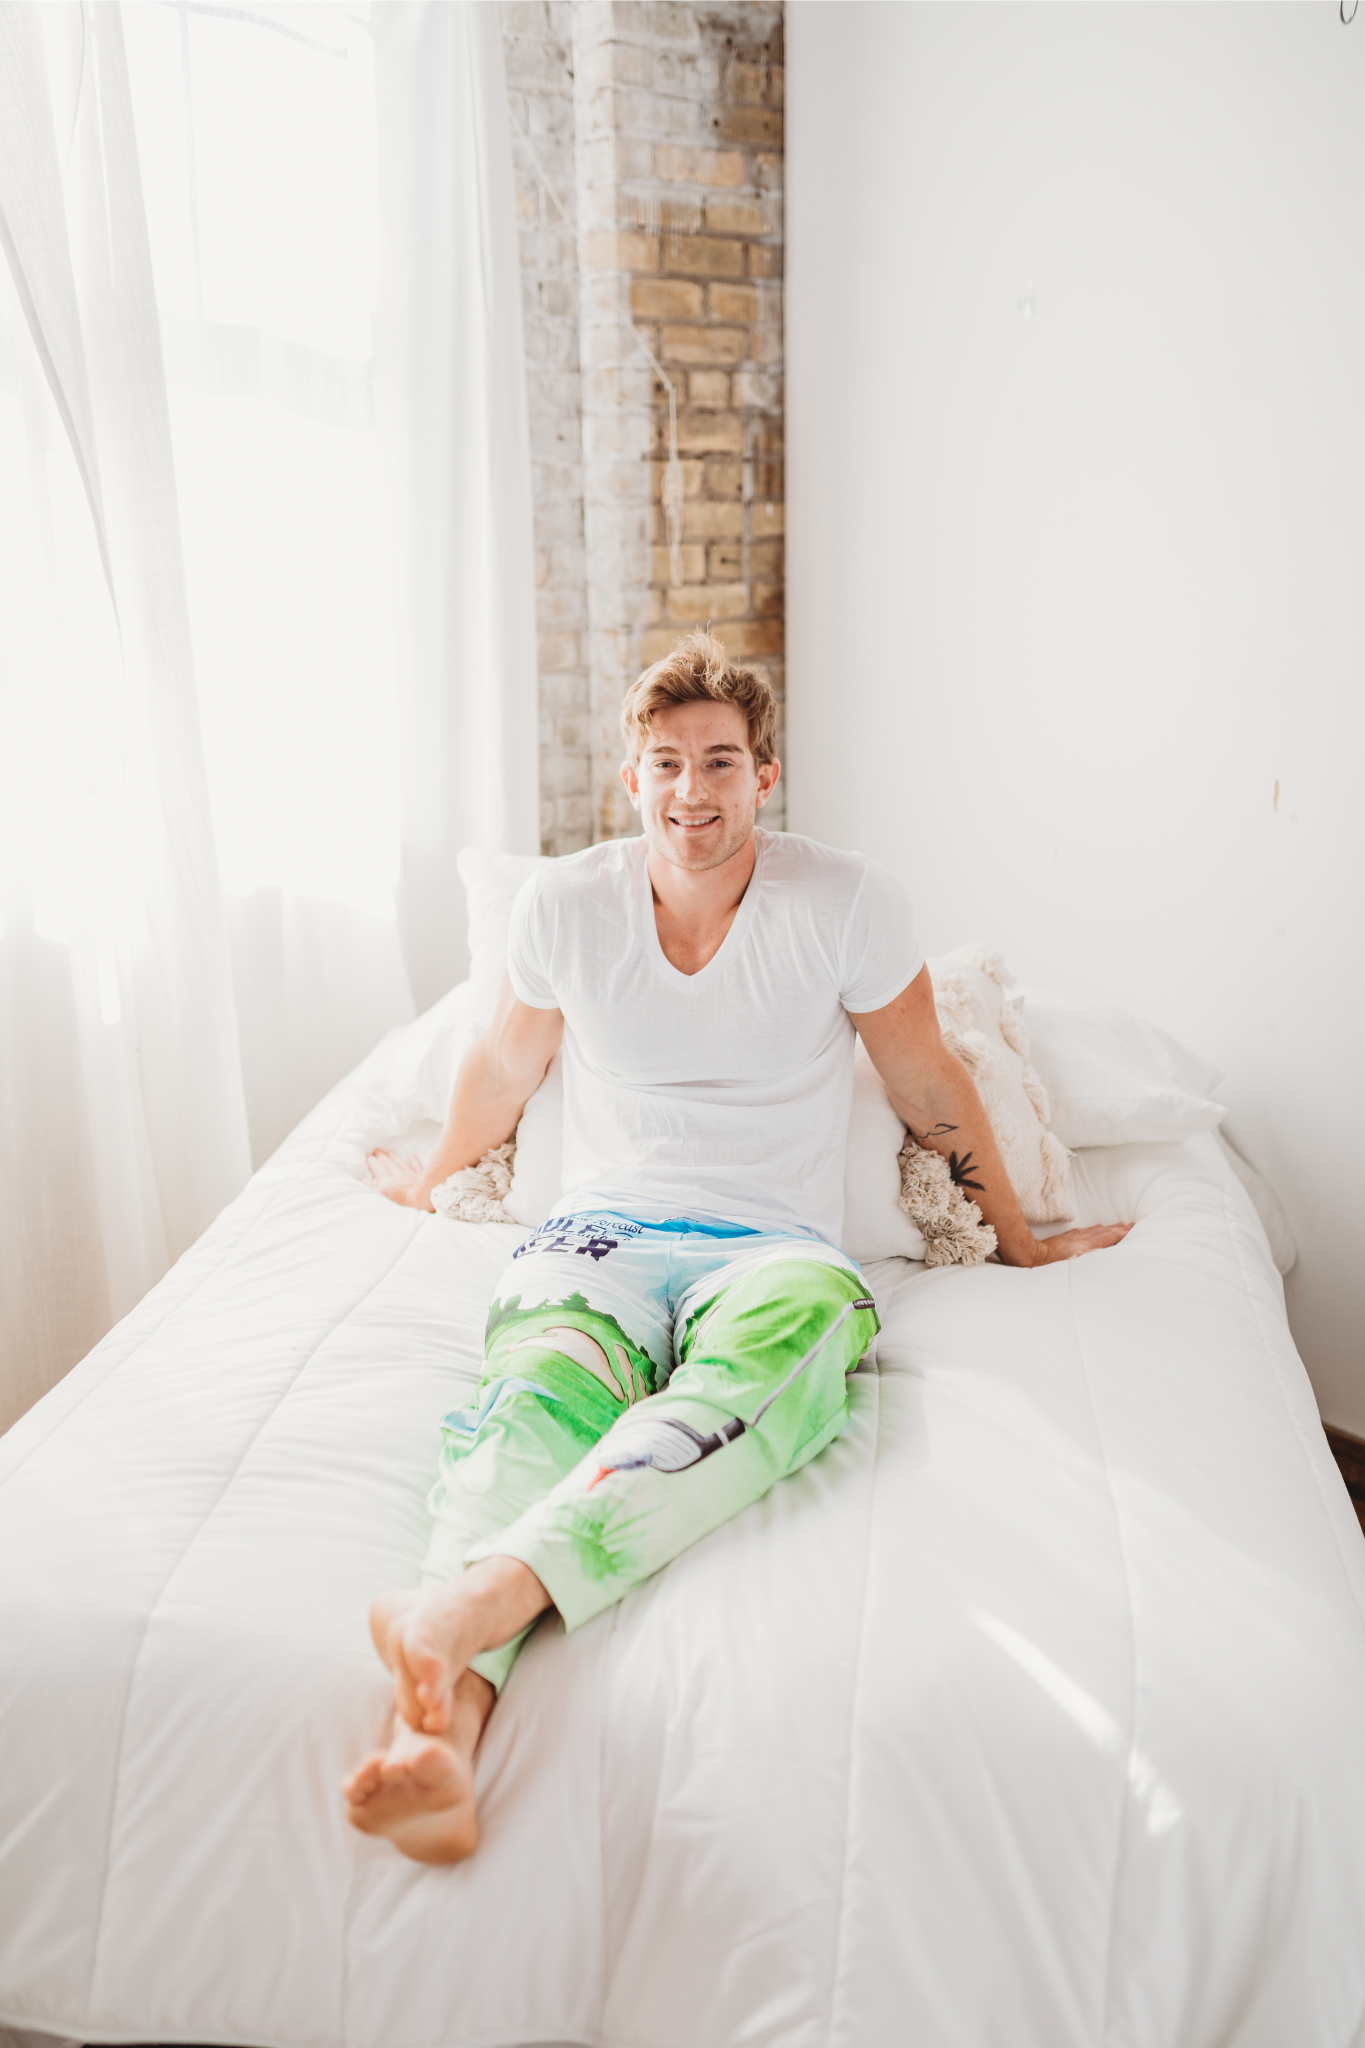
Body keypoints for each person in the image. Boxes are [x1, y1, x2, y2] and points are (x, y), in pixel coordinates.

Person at [343, 632, 1131, 1863]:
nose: (691, 793)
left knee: (751, 1391)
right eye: (666, 763)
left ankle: (474, 1605)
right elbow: (503, 1065)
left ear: (766, 774)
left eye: (720, 762)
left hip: (775, 1252)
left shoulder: (847, 902)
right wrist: (434, 1177)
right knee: (526, 1413)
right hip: (593, 1240)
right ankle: (435, 1741)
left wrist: (1017, 1239)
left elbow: (925, 1074)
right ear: (630, 777)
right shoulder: (565, 905)